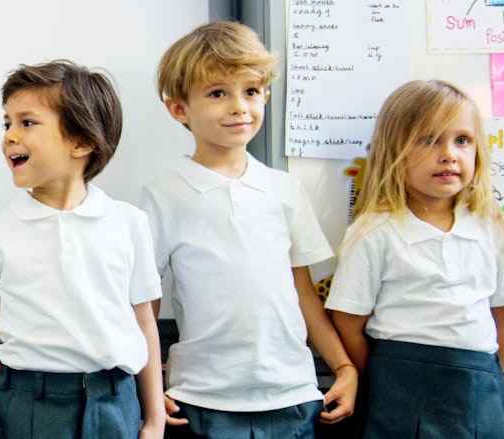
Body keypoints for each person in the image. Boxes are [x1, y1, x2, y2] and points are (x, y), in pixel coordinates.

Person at [140, 21, 358, 437]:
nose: (240, 106)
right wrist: (148, 386)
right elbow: (144, 306)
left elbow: (303, 293)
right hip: (201, 399)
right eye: (218, 93)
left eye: (251, 91)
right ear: (179, 108)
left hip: (292, 396)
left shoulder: (284, 190)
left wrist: (343, 367)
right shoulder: (163, 195)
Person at [0, 60, 166, 439]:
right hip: (28, 403)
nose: (9, 137)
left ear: (82, 142)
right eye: (7, 124)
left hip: (114, 400)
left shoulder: (129, 223)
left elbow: (143, 320)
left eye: (27, 122)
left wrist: (154, 419)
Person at [326, 79, 504, 438]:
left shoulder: (491, 226)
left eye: (462, 140)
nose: (449, 154)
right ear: (393, 151)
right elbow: (347, 321)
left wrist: (488, 374)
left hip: (478, 385)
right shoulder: (375, 231)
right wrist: (380, 379)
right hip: (398, 390)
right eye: (428, 140)